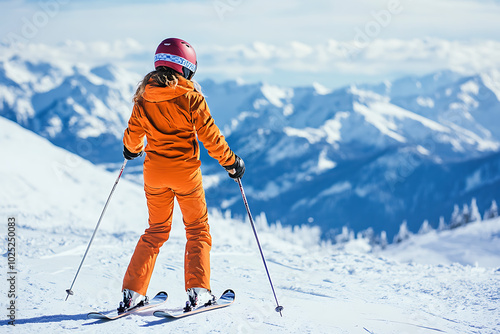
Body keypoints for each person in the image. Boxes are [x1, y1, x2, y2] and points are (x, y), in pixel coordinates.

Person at [118, 38, 245, 313]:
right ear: (186, 69)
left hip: (154, 174)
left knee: (155, 231)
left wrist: (131, 150)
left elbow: (133, 137)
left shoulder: (143, 98)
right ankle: (198, 292)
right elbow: (211, 137)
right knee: (197, 230)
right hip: (185, 174)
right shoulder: (191, 98)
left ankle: (132, 294)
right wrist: (231, 162)